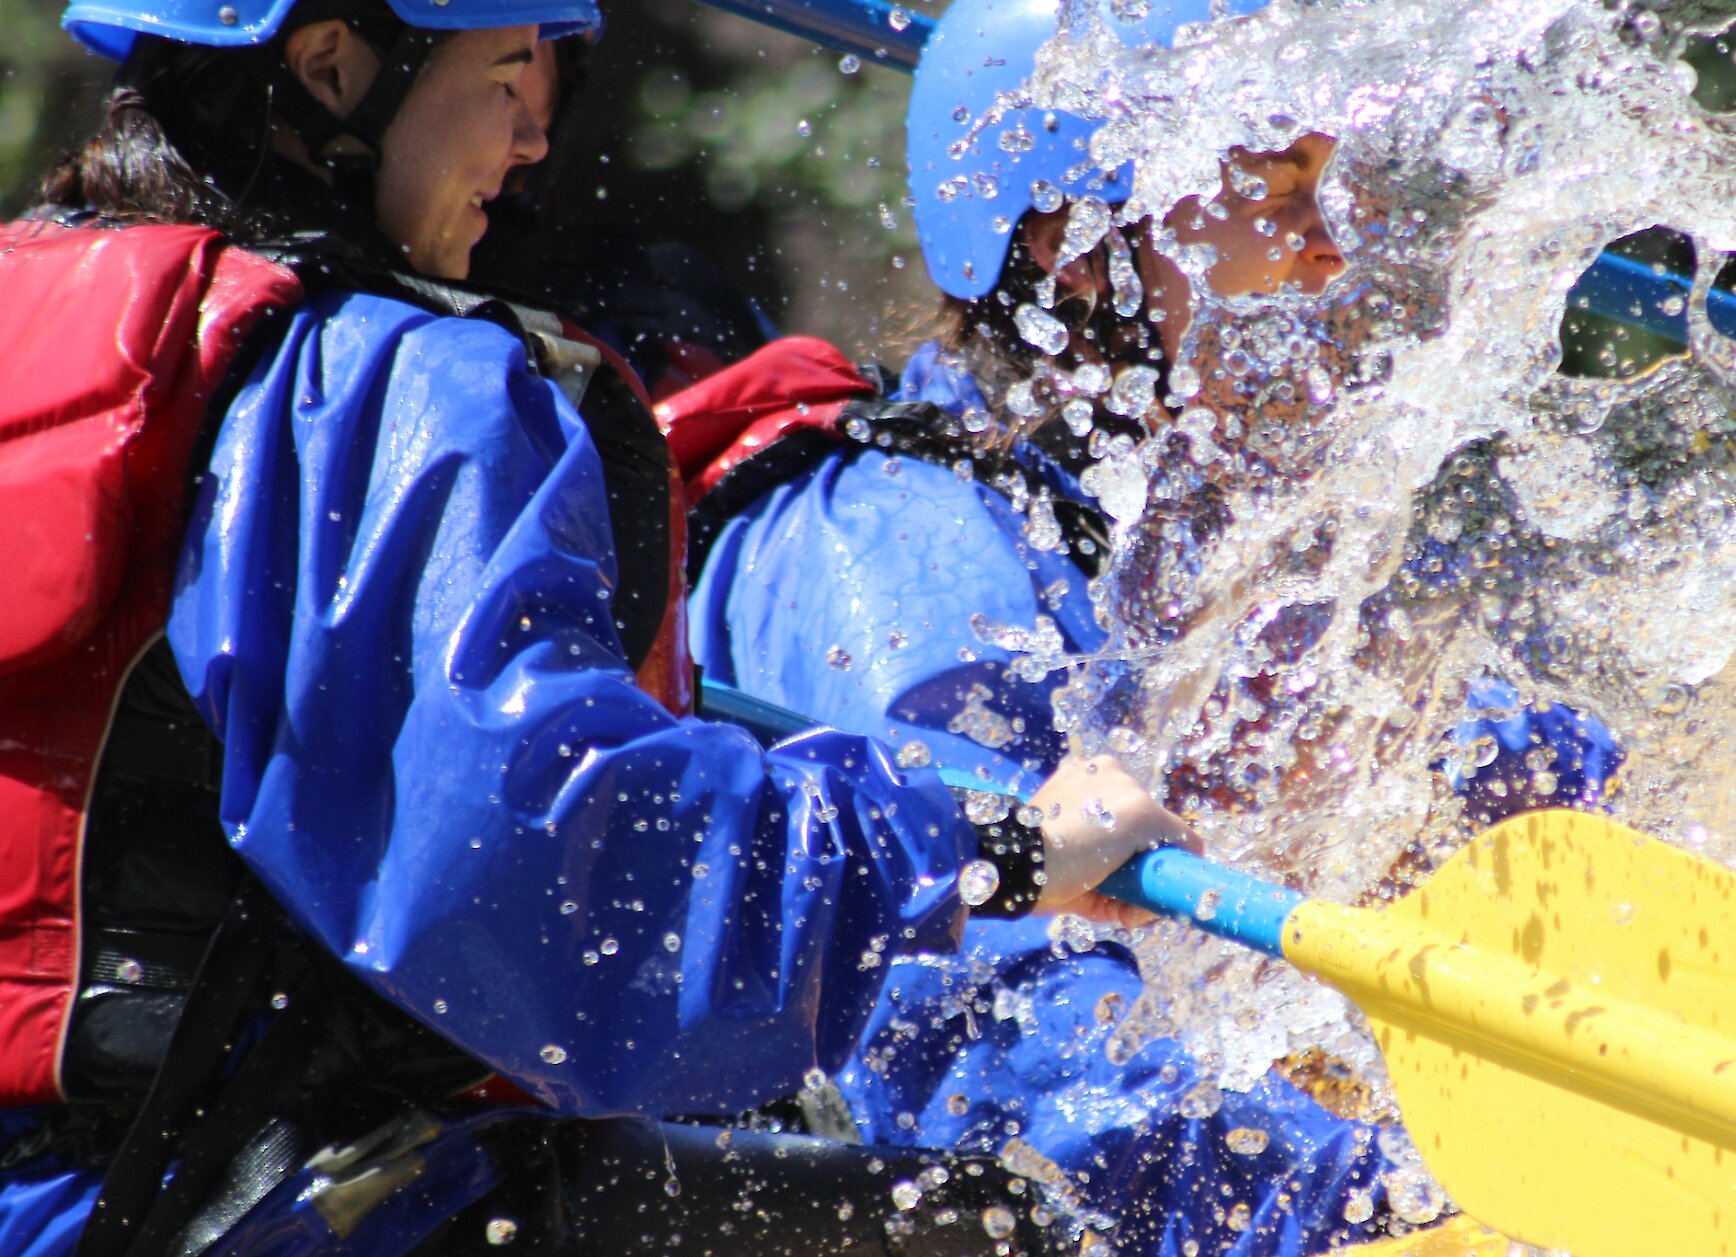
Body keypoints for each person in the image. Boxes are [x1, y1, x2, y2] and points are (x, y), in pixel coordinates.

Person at [0, 1, 1196, 1252]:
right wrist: (981, 850)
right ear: (329, 66)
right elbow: (559, 872)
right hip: (259, 1203)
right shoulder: (373, 378)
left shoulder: (60, 324)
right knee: (1000, 1231)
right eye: (508, 73)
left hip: (73, 1190)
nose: (527, 142)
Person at [667, 0, 1548, 1253]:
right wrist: (1415, 1212)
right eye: (1285, 194)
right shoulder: (897, 549)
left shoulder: (1181, 540)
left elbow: (1511, 782)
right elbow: (1012, 1067)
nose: (1331, 257)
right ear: (1075, 249)